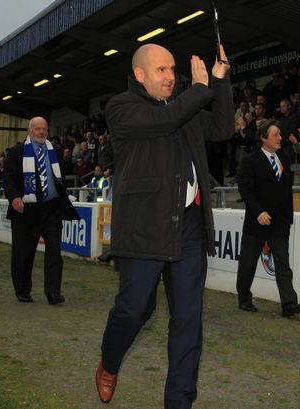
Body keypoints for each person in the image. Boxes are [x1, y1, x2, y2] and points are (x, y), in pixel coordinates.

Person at [95, 44, 233, 408]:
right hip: (144, 228)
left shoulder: (183, 111)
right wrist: (200, 90)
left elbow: (222, 127)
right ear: (140, 74)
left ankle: (179, 402)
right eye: (161, 70)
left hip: (189, 227)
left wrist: (219, 81)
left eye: (173, 69)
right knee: (135, 309)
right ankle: (109, 362)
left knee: (188, 321)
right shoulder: (122, 107)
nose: (171, 76)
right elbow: (165, 120)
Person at [2, 117, 80, 304]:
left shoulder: (56, 151)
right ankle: (22, 289)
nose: (41, 132)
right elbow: (8, 179)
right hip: (26, 210)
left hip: (52, 209)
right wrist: (14, 197)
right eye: (37, 128)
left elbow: (59, 178)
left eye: (44, 128)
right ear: (30, 131)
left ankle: (53, 292)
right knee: (24, 253)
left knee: (54, 251)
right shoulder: (16, 152)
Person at [236, 120, 300, 317]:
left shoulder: (284, 159)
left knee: (283, 264)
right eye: (275, 135)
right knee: (248, 263)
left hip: (279, 223)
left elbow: (287, 191)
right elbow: (245, 190)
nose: (280, 138)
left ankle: (289, 304)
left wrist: (288, 218)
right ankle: (244, 298)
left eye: (280, 135)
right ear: (263, 138)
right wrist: (258, 212)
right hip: (257, 222)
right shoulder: (250, 160)